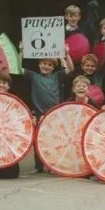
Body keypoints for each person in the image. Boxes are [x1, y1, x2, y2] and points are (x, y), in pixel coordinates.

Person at [20, 45, 74, 174]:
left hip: (54, 114)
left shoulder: (56, 76)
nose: (46, 66)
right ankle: (38, 166)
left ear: (53, 67)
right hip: (38, 113)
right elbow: (18, 69)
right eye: (44, 63)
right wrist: (21, 52)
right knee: (37, 141)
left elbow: (71, 69)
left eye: (50, 65)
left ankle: (52, 165)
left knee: (54, 140)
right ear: (39, 64)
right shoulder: (33, 76)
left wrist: (66, 54)